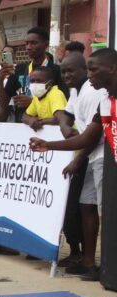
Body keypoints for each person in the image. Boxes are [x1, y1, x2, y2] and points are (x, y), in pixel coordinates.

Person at [29, 47, 117, 297]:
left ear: (112, 69)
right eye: (88, 69)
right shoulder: (105, 99)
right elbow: (89, 137)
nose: (89, 75)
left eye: (94, 69)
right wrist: (50, 144)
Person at [52, 53, 106, 278]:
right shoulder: (76, 91)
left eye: (71, 71)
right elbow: (66, 115)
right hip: (91, 156)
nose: (66, 76)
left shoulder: (95, 92)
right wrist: (65, 127)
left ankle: (107, 266)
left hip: (99, 155)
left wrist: (77, 159)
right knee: (86, 206)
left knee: (104, 212)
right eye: (63, 72)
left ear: (85, 69)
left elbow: (94, 134)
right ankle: (87, 262)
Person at [5, 27, 69, 122]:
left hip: (46, 126)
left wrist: (32, 102)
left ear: (46, 44)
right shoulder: (19, 69)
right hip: (21, 124)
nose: (28, 47)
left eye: (33, 43)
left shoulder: (57, 70)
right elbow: (6, 97)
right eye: (26, 43)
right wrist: (3, 76)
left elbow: (64, 100)